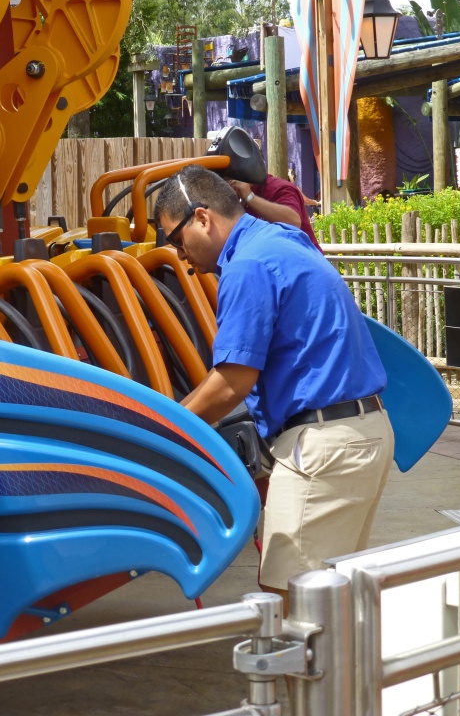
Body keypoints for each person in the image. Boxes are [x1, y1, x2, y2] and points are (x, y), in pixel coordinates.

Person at [153, 164, 394, 599]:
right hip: (364, 432)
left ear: (202, 218)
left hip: (323, 447)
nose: (182, 259)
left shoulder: (246, 267)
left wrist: (164, 429)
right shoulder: (283, 240)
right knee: (333, 600)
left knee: (291, 604)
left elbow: (231, 384)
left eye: (175, 240)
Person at [227, 173, 322, 251]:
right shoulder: (233, 197)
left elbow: (293, 221)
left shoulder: (279, 187)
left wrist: (250, 197)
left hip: (302, 262)